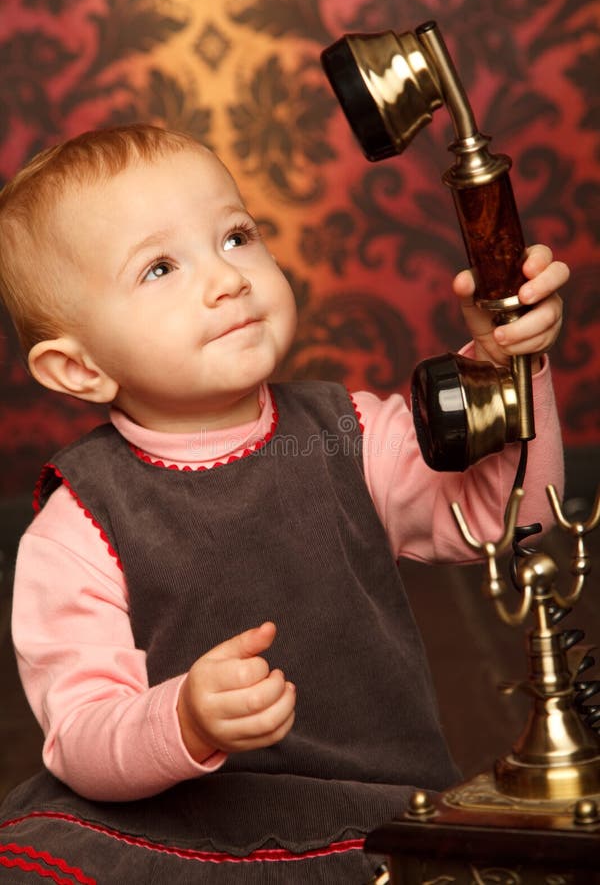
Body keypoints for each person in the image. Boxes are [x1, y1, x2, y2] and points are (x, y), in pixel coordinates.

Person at [0, 124, 566, 883]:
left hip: (375, 817)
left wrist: (513, 374)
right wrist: (183, 718)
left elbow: (511, 520)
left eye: (236, 237)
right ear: (77, 367)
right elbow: (80, 731)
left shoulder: (351, 434)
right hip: (175, 835)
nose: (227, 278)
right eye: (160, 267)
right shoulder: (78, 526)